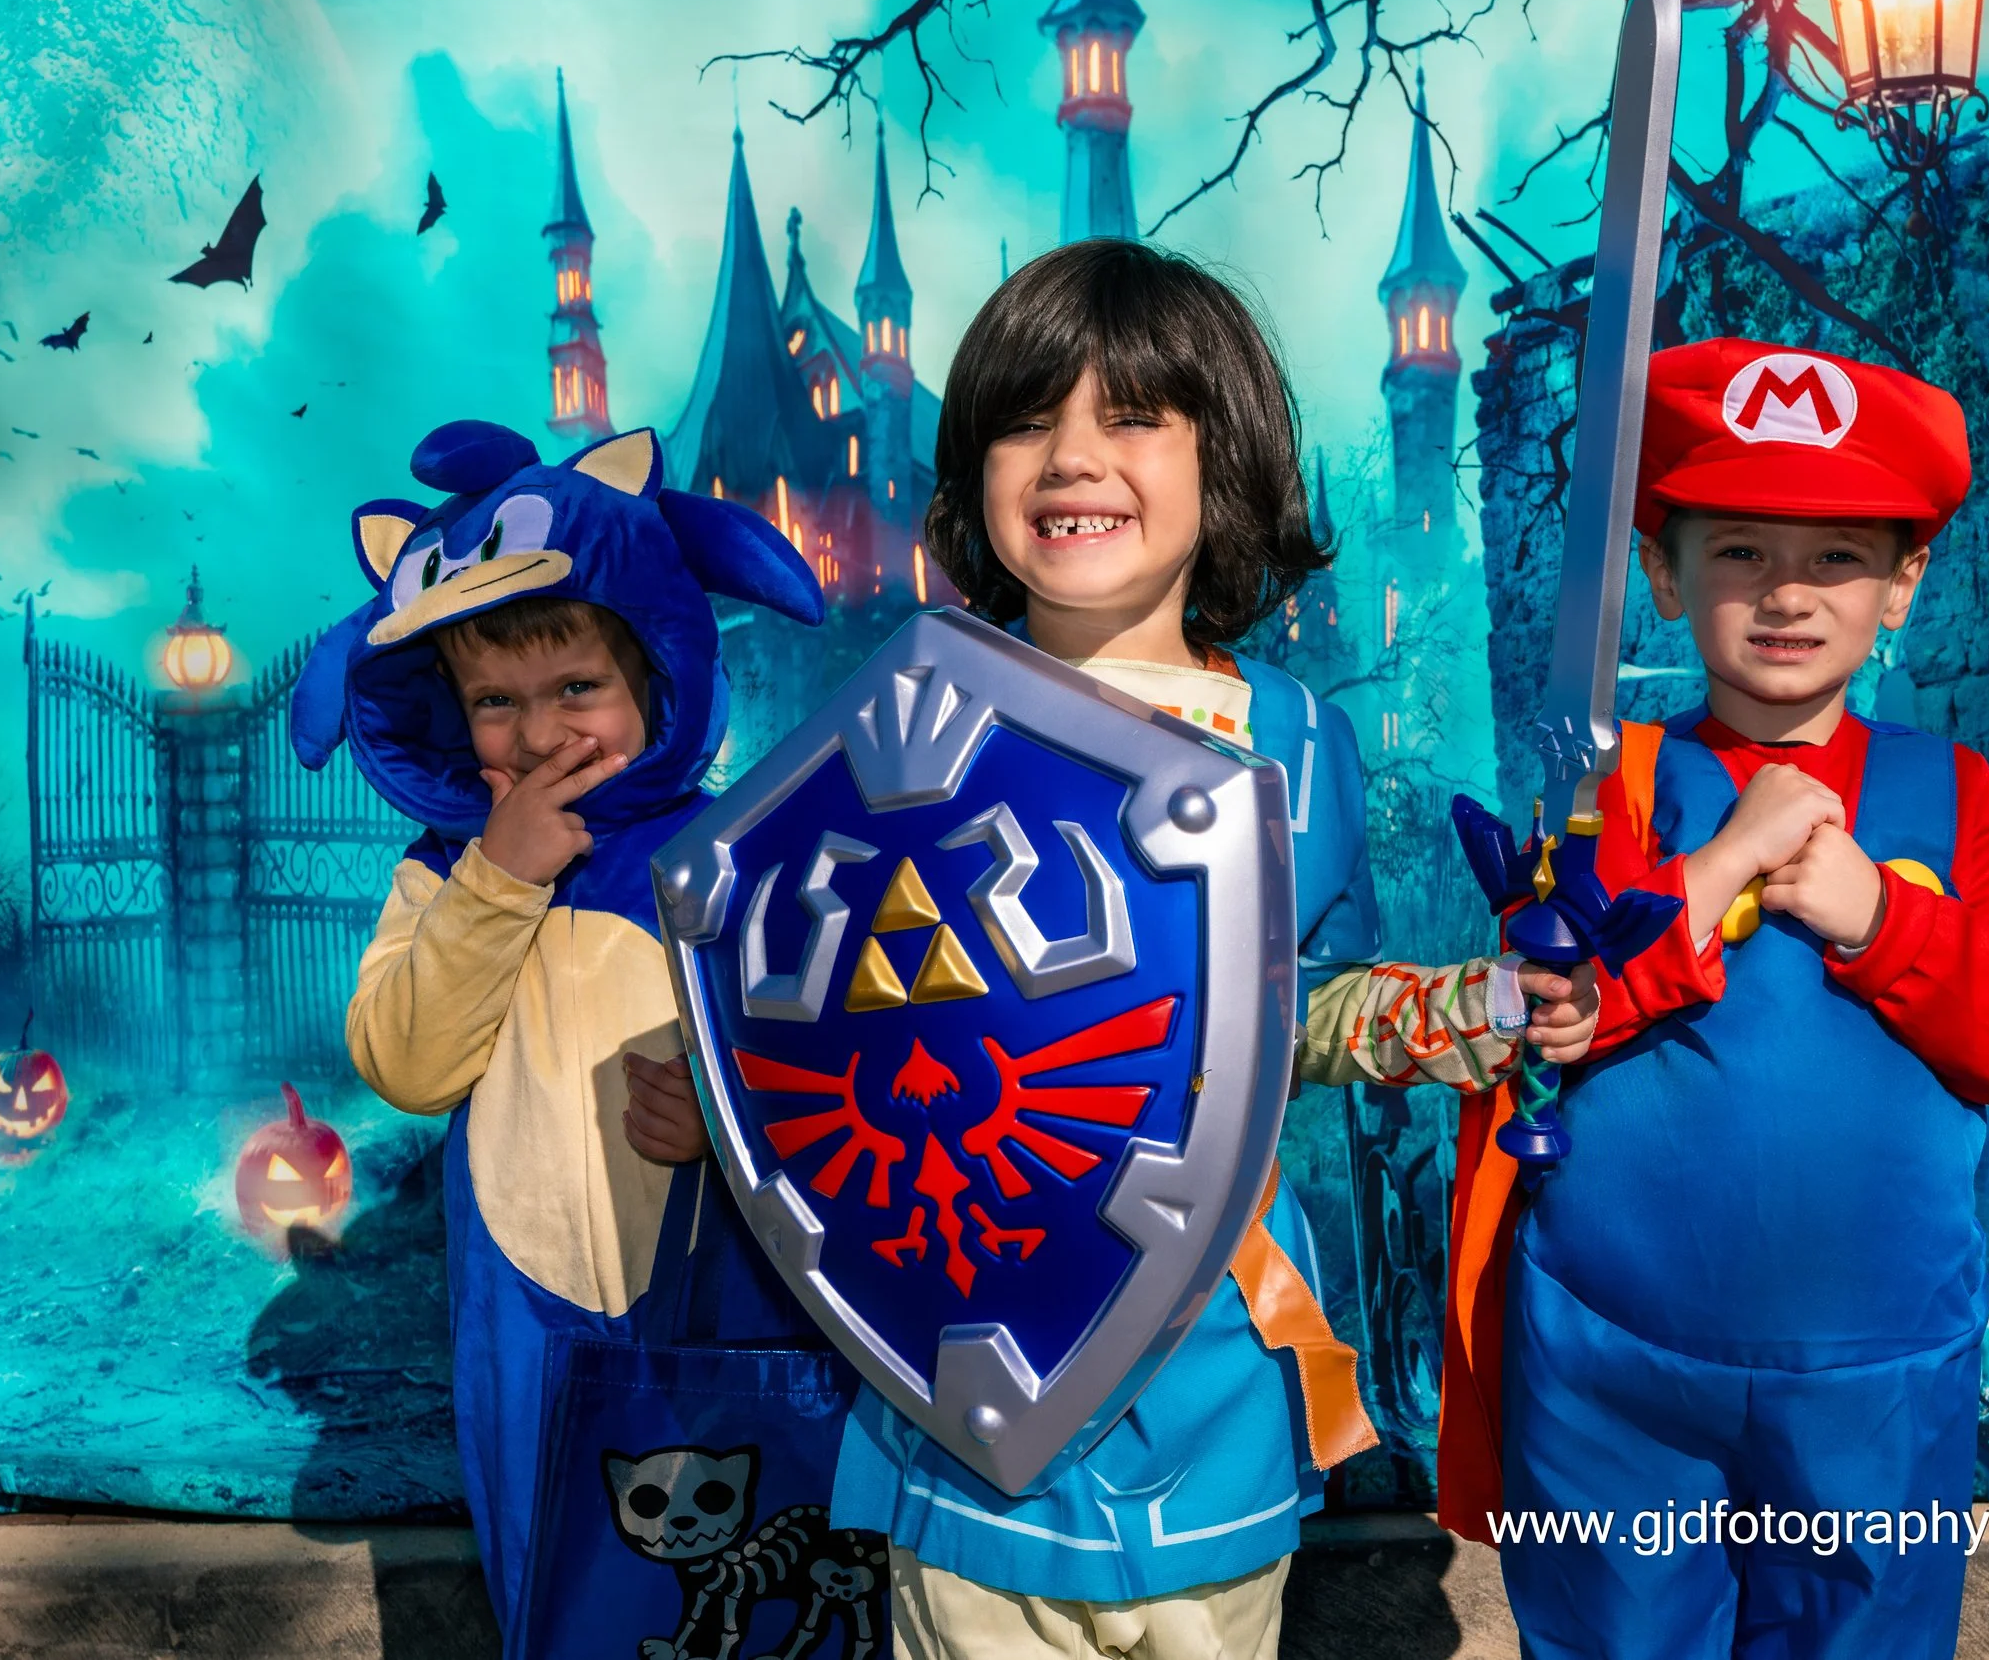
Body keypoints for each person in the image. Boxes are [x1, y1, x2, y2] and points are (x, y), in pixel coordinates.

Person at [631, 239, 1599, 1660]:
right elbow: (816, 1005)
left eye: (1134, 416)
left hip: (1207, 1369)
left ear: (1228, 457)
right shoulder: (898, 726)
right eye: (1028, 421)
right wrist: (719, 1100)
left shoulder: (1292, 744)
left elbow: (1300, 1010)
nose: (1074, 457)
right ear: (974, 470)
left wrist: (1474, 1005)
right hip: (963, 1393)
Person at [1434, 338, 1989, 1659]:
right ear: (1665, 573)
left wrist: (1880, 914)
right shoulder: (1606, 784)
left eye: (1837, 554)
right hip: (1615, 1369)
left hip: (1873, 1381)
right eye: (1738, 549)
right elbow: (1542, 1008)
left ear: (1901, 585)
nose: (1786, 591)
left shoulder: (1952, 792)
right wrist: (1719, 866)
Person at [306, 417, 885, 1659]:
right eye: (495, 702)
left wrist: (731, 1123)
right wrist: (497, 882)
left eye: (578, 688)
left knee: (757, 1599)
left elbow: (843, 1071)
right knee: (562, 1596)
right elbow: (407, 1064)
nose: (540, 733)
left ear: (654, 676)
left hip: (734, 1307)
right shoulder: (439, 877)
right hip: (528, 1326)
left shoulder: (737, 850)